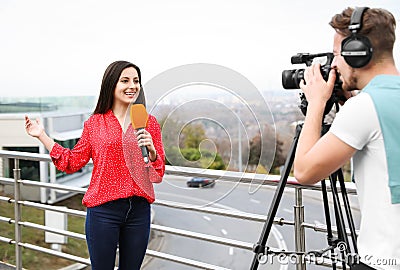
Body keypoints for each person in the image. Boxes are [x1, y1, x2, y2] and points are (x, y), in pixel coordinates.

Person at [25, 60, 165, 270]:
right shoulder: (95, 123)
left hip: (139, 211)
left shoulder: (148, 122)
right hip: (104, 211)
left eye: (136, 81)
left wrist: (152, 152)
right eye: (125, 80)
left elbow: (158, 174)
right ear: (111, 85)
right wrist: (42, 136)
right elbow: (72, 162)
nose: (132, 86)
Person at [293, 7, 400, 269]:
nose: (335, 64)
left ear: (358, 52)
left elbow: (304, 172)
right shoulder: (379, 102)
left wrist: (317, 104)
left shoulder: (365, 107)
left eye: (338, 54)